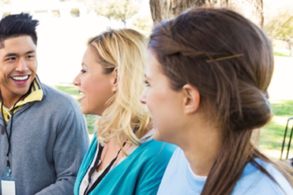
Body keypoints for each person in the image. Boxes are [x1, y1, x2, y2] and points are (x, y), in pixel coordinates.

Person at [141, 8, 293, 195]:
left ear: (188, 99)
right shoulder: (182, 159)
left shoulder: (263, 190)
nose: (142, 97)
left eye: (149, 83)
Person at [0, 13, 89, 195]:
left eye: (29, 56)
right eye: (11, 58)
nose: (23, 67)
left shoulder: (64, 109)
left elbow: (73, 178)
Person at [72, 29, 176, 195]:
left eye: (84, 70)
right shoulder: (105, 131)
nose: (75, 81)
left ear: (116, 77)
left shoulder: (158, 154)